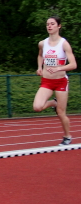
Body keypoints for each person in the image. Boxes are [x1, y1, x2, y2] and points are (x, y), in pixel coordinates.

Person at [33, 16, 77, 145]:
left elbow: (73, 65)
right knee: (37, 107)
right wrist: (39, 67)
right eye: (47, 24)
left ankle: (67, 136)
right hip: (46, 81)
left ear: (59, 26)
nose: (49, 26)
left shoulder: (64, 44)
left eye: (52, 24)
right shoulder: (42, 43)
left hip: (61, 81)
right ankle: (53, 102)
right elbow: (40, 55)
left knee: (61, 113)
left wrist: (59, 68)